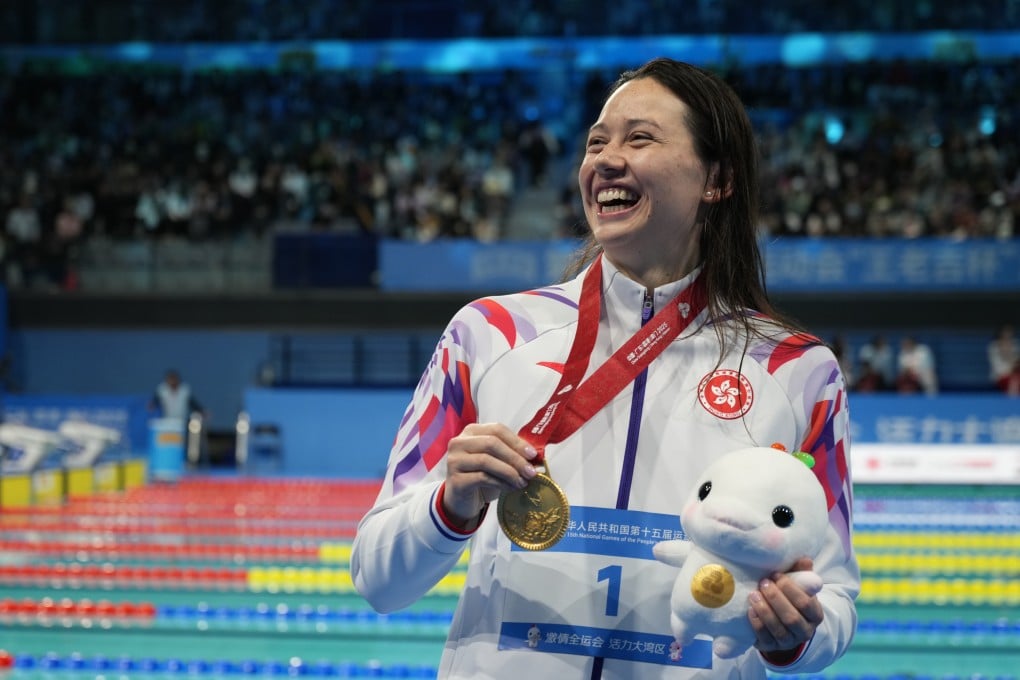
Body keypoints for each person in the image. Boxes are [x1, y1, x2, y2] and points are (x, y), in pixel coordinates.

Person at [352, 58, 859, 679]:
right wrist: (450, 505)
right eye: (596, 141)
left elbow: (833, 597)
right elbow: (376, 579)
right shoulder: (488, 334)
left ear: (716, 180)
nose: (604, 160)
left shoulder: (797, 370)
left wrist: (793, 635)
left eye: (639, 138)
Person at [987, 324, 1020, 395]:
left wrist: (1011, 356)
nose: (1007, 335)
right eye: (1005, 333)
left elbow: (1017, 362)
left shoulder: (1014, 345)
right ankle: (1012, 399)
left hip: (1015, 375)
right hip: (1001, 376)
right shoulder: (994, 347)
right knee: (1015, 380)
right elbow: (997, 368)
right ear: (1000, 334)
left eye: (1009, 333)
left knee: (1016, 378)